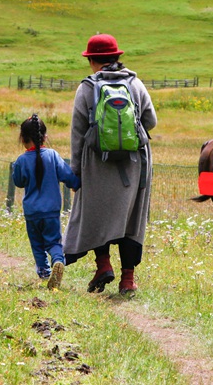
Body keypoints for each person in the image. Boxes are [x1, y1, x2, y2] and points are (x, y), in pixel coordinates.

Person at [64, 34, 157, 295]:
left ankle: (103, 265)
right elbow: (151, 121)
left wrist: (76, 171)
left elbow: (77, 133)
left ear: (93, 60)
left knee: (96, 213)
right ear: (117, 57)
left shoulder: (86, 88)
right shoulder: (135, 84)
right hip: (134, 163)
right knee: (132, 218)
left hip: (97, 163)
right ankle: (128, 279)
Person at [12, 114, 80, 289]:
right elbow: (67, 175)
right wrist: (76, 184)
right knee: (53, 242)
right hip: (51, 211)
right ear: (45, 137)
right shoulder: (52, 155)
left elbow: (18, 182)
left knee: (37, 244)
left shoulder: (21, 161)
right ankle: (58, 260)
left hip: (32, 212)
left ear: (23, 139)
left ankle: (44, 273)